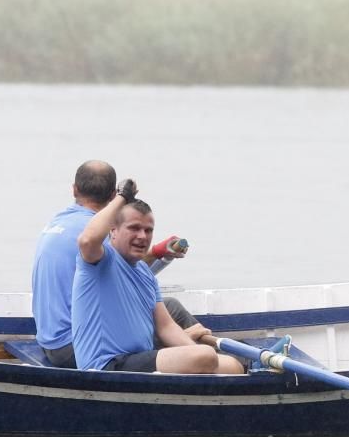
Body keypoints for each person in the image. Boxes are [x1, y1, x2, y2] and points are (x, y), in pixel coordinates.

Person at [31, 160, 200, 368]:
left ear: (74, 189)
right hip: (76, 346)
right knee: (172, 311)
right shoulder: (93, 233)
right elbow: (127, 281)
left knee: (167, 308)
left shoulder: (58, 222)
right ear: (113, 196)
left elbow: (120, 275)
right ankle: (206, 356)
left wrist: (157, 253)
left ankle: (195, 348)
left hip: (48, 339)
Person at [72, 179, 243, 374]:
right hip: (106, 366)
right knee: (205, 356)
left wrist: (195, 353)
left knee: (232, 366)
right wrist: (122, 198)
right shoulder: (101, 261)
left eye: (148, 230)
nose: (143, 236)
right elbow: (87, 239)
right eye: (134, 228)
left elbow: (166, 326)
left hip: (139, 360)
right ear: (113, 230)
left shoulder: (145, 274)